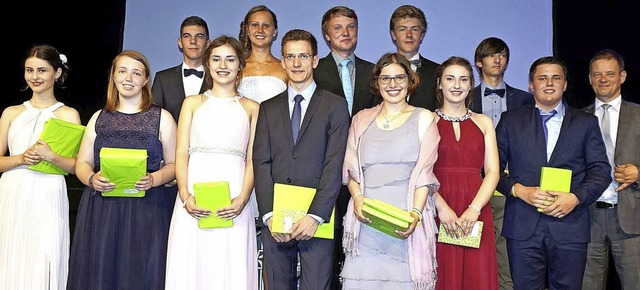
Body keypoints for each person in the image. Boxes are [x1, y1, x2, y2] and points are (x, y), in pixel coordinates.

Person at [495, 56, 611, 289]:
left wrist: (576, 198)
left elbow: (601, 170)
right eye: (542, 78)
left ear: (565, 84)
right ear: (531, 84)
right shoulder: (510, 121)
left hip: (570, 224)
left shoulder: (586, 123)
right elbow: (491, 169)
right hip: (523, 225)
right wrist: (520, 191)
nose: (549, 83)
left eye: (556, 77)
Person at [67, 50, 178, 290]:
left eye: (136, 73)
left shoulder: (163, 118)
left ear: (145, 80)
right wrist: (91, 178)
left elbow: (175, 166)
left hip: (148, 207)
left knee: (142, 270)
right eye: (123, 71)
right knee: (101, 270)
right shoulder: (98, 117)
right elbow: (82, 163)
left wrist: (154, 179)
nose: (129, 78)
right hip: (103, 209)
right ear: (113, 77)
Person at [253, 29, 350, 290]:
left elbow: (334, 164)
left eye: (303, 56)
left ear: (315, 60)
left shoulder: (335, 105)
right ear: (282, 61)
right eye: (290, 57)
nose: (297, 64)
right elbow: (261, 162)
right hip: (276, 220)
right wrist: (269, 215)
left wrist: (316, 216)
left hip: (317, 220)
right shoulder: (268, 108)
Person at [164, 35, 259, 290]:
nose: (223, 65)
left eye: (230, 59)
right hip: (193, 194)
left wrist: (243, 197)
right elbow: (181, 152)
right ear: (208, 63)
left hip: (235, 195)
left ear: (240, 65)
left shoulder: (252, 107)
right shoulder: (192, 103)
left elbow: (253, 158)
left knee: (232, 260)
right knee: (192, 260)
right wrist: (185, 195)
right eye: (216, 59)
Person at [341, 52, 440, 290]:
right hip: (366, 220)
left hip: (406, 221)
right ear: (376, 83)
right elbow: (351, 169)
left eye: (399, 78)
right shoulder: (360, 119)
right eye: (385, 79)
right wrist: (358, 198)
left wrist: (415, 215)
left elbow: (425, 176)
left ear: (410, 81)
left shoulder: (424, 118)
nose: (392, 85)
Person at [0, 44, 80, 290]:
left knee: (46, 253)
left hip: (48, 191)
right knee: (12, 252)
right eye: (29, 70)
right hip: (13, 190)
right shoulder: (11, 113)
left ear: (57, 73)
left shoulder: (68, 114)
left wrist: (51, 156)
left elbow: (76, 166)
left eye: (42, 70)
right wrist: (21, 158)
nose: (34, 77)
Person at [312, 6, 379, 288]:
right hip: (323, 170)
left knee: (363, 243)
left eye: (351, 27)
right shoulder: (315, 71)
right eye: (338, 28)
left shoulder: (374, 71)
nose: (345, 33)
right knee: (327, 247)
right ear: (326, 35)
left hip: (365, 173)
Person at [471, 37, 534, 290]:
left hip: (514, 186)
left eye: (502, 55)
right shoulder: (464, 97)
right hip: (475, 185)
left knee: (512, 251)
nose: (497, 59)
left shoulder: (526, 99)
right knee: (476, 249)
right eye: (490, 55)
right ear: (479, 62)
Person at [432, 56, 499, 289]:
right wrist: (442, 208)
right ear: (439, 83)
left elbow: (492, 172)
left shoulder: (484, 122)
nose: (457, 85)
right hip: (438, 206)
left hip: (477, 207)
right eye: (450, 79)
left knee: (477, 275)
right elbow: (420, 173)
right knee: (442, 274)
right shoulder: (425, 121)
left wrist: (474, 209)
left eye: (463, 79)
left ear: (472, 84)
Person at [581, 49, 640, 290]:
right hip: (587, 217)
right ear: (590, 79)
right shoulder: (576, 119)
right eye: (597, 74)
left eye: (610, 74)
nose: (603, 79)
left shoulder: (638, 114)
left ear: (622, 76)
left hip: (631, 218)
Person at [152, 15, 210, 122]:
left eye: (199, 36)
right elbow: (153, 120)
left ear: (208, 43)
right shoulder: (162, 79)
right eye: (187, 36)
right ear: (180, 42)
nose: (193, 41)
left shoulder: (217, 79)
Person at [389, 4, 439, 111]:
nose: (409, 35)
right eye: (402, 29)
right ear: (393, 35)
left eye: (415, 29)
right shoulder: (381, 71)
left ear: (421, 36)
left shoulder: (438, 72)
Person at [238, 5, 287, 104]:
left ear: (275, 32)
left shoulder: (285, 67)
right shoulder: (236, 67)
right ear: (247, 30)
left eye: (266, 25)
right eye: (255, 25)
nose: (260, 30)